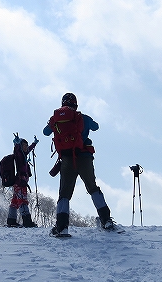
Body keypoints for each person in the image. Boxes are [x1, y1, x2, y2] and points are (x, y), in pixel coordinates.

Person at [43, 92, 118, 236]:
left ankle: (62, 227)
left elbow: (45, 132)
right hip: (84, 157)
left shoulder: (56, 119)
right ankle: (106, 221)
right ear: (75, 104)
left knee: (64, 193)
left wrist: (54, 122)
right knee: (93, 188)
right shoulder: (82, 118)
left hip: (67, 159)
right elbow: (96, 127)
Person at [7, 135, 38, 227]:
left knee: (15, 201)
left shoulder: (24, 154)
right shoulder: (19, 154)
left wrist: (34, 144)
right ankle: (27, 221)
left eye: (26, 145)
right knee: (22, 200)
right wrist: (16, 143)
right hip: (21, 182)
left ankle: (11, 221)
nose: (26, 147)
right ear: (20, 146)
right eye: (24, 145)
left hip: (19, 181)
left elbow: (29, 149)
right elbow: (17, 150)